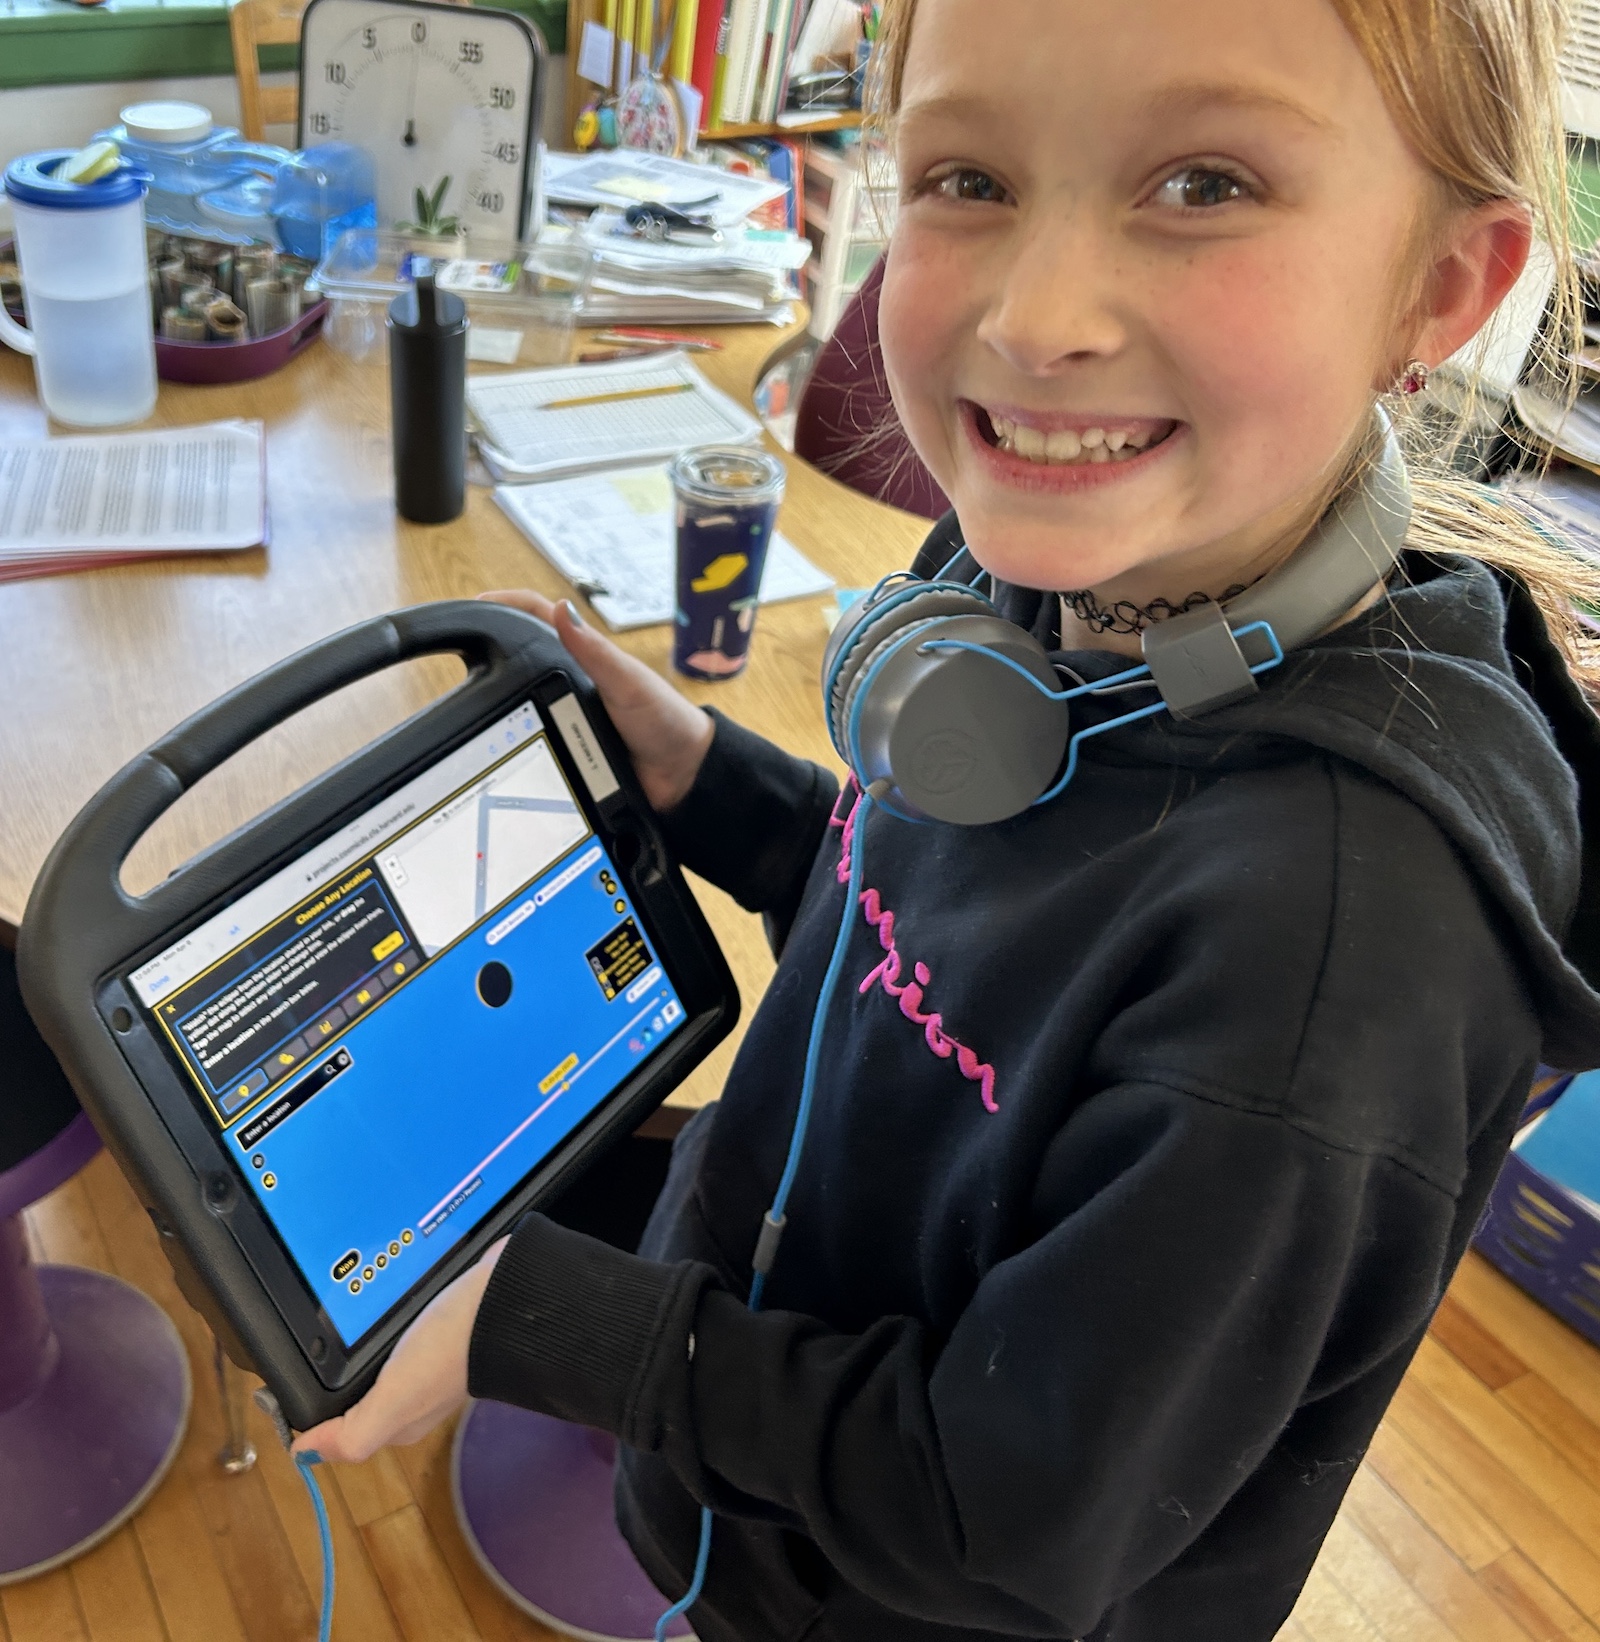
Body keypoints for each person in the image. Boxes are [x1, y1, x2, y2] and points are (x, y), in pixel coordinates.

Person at [297, 0, 1600, 1636]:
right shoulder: (1045, 597)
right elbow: (939, 953)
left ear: (1440, 288)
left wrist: (554, 1324)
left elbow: (1011, 1511)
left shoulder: (1332, 952)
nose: (1039, 315)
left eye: (1203, 184)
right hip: (753, 1528)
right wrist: (713, 776)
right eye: (966, 175)